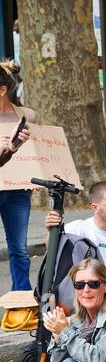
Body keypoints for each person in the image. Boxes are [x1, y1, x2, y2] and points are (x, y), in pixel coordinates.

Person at [0, 61, 33, 290]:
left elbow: (39, 155)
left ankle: (21, 296)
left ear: (2, 90)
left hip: (16, 190)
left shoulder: (27, 115)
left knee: (19, 247)